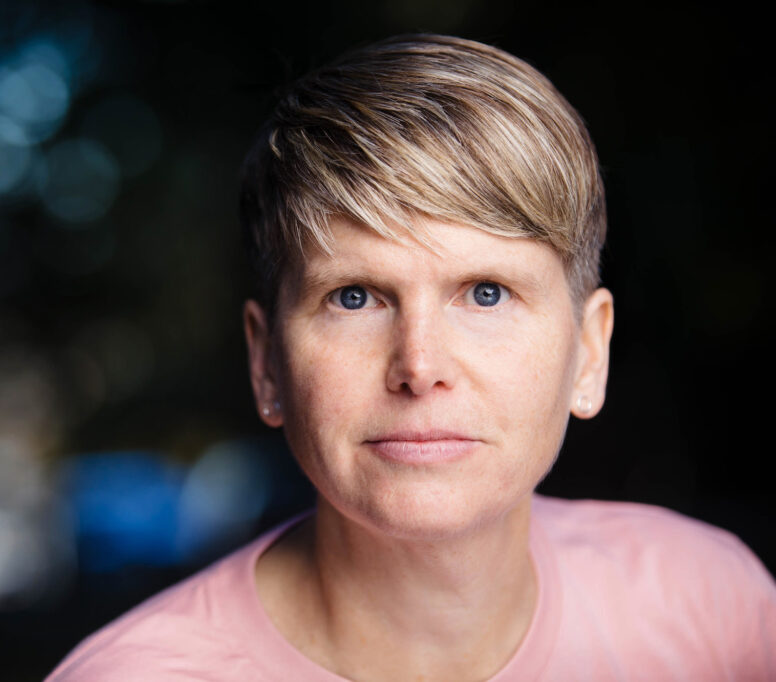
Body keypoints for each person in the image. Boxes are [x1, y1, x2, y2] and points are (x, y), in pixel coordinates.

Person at [47, 34, 776, 681]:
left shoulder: (715, 609)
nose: (419, 365)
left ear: (589, 353)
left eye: (486, 293)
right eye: (356, 297)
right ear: (267, 362)